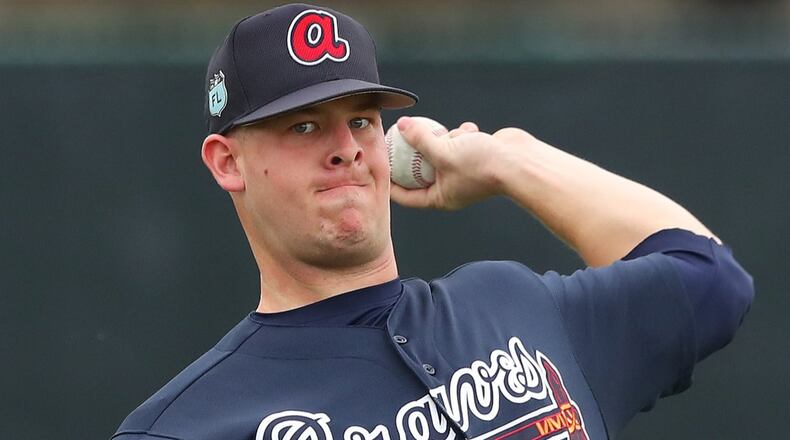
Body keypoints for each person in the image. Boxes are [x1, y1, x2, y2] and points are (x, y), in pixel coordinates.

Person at [113, 4, 753, 440]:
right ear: (228, 162)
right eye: (303, 126)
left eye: (361, 119)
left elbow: (709, 279)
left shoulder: (513, 306)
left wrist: (510, 159)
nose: (347, 147)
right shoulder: (189, 425)